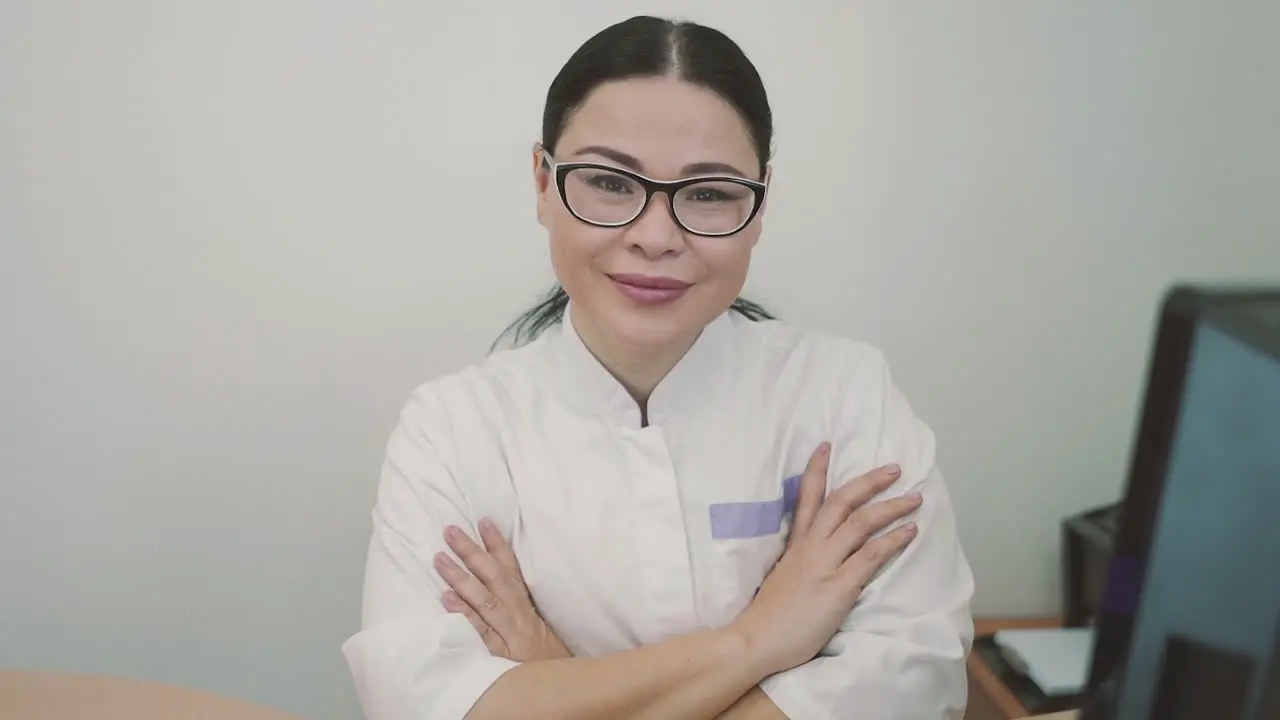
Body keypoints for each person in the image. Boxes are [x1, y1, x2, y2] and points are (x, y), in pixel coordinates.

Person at [342, 14, 975, 720]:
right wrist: (759, 640)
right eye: (610, 183)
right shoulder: (453, 430)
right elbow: (418, 706)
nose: (655, 236)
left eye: (708, 194)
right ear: (543, 182)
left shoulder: (845, 398)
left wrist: (555, 682)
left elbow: (914, 685)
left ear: (759, 205)